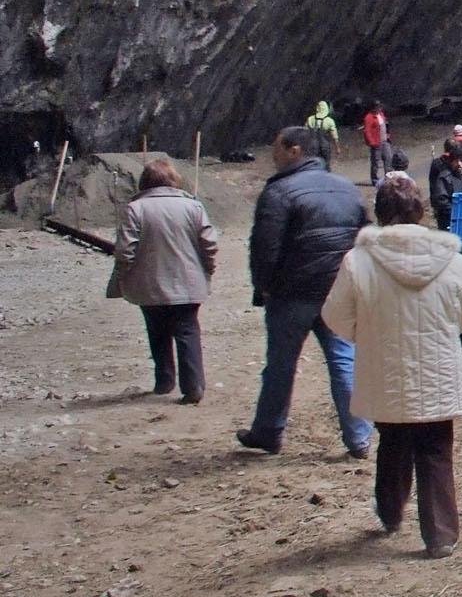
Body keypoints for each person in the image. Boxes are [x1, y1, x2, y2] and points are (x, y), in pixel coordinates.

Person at [323, 175, 462, 559]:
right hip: (438, 370)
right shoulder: (452, 260)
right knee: (436, 450)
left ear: (380, 214)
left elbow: (335, 316)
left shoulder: (358, 260)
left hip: (386, 368)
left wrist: (368, 335)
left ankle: (391, 512)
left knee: (392, 441)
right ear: (419, 211)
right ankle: (441, 534)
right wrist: (444, 333)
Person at [238, 126, 374, 457]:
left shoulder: (279, 192)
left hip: (292, 294)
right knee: (344, 360)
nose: (273, 155)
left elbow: (265, 247)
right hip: (339, 290)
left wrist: (264, 286)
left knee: (281, 365)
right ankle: (359, 438)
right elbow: (366, 239)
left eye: (277, 148)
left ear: (295, 150)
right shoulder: (348, 190)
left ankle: (269, 431)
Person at [112, 159, 218, 405]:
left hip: (148, 284)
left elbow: (125, 250)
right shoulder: (193, 207)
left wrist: (124, 275)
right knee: (188, 330)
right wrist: (208, 270)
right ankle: (193, 387)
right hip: (190, 282)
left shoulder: (135, 209)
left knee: (157, 330)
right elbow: (209, 244)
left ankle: (164, 381)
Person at [428, 145, 462, 229]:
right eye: (456, 161)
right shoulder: (445, 178)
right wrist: (456, 212)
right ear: (451, 162)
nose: (459, 164)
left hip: (461, 221)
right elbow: (441, 200)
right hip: (448, 222)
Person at [362, 102, 393, 185]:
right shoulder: (368, 117)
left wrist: (388, 135)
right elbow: (367, 131)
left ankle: (388, 178)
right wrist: (371, 142)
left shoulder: (381, 114)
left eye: (380, 107)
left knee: (388, 159)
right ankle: (374, 179)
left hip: (385, 141)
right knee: (375, 162)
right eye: (377, 107)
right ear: (373, 108)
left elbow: (385, 125)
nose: (379, 108)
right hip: (376, 143)